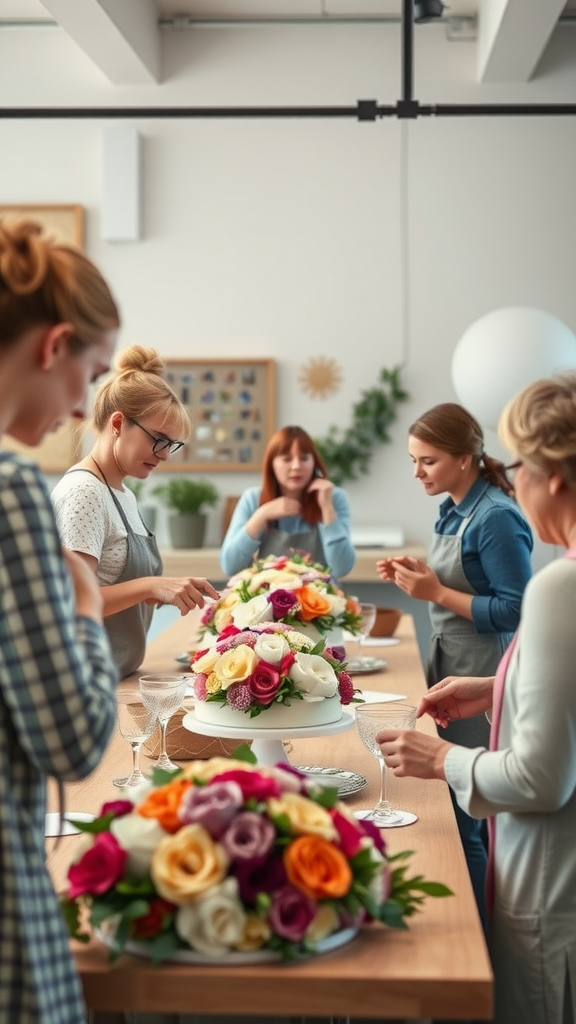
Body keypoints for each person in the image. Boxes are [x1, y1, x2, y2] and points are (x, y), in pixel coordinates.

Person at [376, 372, 576, 1024]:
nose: (509, 479)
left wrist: (439, 764)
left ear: (555, 477)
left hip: (548, 884)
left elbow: (538, 779)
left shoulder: (557, 583)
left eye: (518, 466)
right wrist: (497, 686)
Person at [0, 217, 120, 1022]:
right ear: (56, 345)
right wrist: (85, 612)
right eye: (92, 372)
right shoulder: (13, 491)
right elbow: (72, 740)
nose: (82, 407)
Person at [376, 402, 533, 928]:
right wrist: (417, 575)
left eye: (428, 461)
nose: (417, 472)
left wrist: (435, 590)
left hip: (483, 668)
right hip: (451, 658)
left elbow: (516, 609)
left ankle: (476, 939)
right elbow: (466, 580)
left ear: (466, 459)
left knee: (469, 811)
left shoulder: (496, 517)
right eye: (413, 461)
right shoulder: (453, 506)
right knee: (455, 803)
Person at [51, 343, 219, 679]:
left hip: (115, 675)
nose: (165, 454)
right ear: (118, 424)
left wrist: (172, 589)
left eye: (171, 444)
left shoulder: (122, 493)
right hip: (80, 684)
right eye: (158, 438)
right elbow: (71, 603)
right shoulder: (85, 493)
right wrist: (150, 586)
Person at [220, 424, 356, 578]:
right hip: (266, 598)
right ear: (272, 465)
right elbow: (230, 567)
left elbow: (342, 568)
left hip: (322, 598)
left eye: (304, 458)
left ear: (314, 463)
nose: (296, 466)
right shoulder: (253, 499)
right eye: (287, 459)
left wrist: (327, 508)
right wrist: (261, 515)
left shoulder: (335, 498)